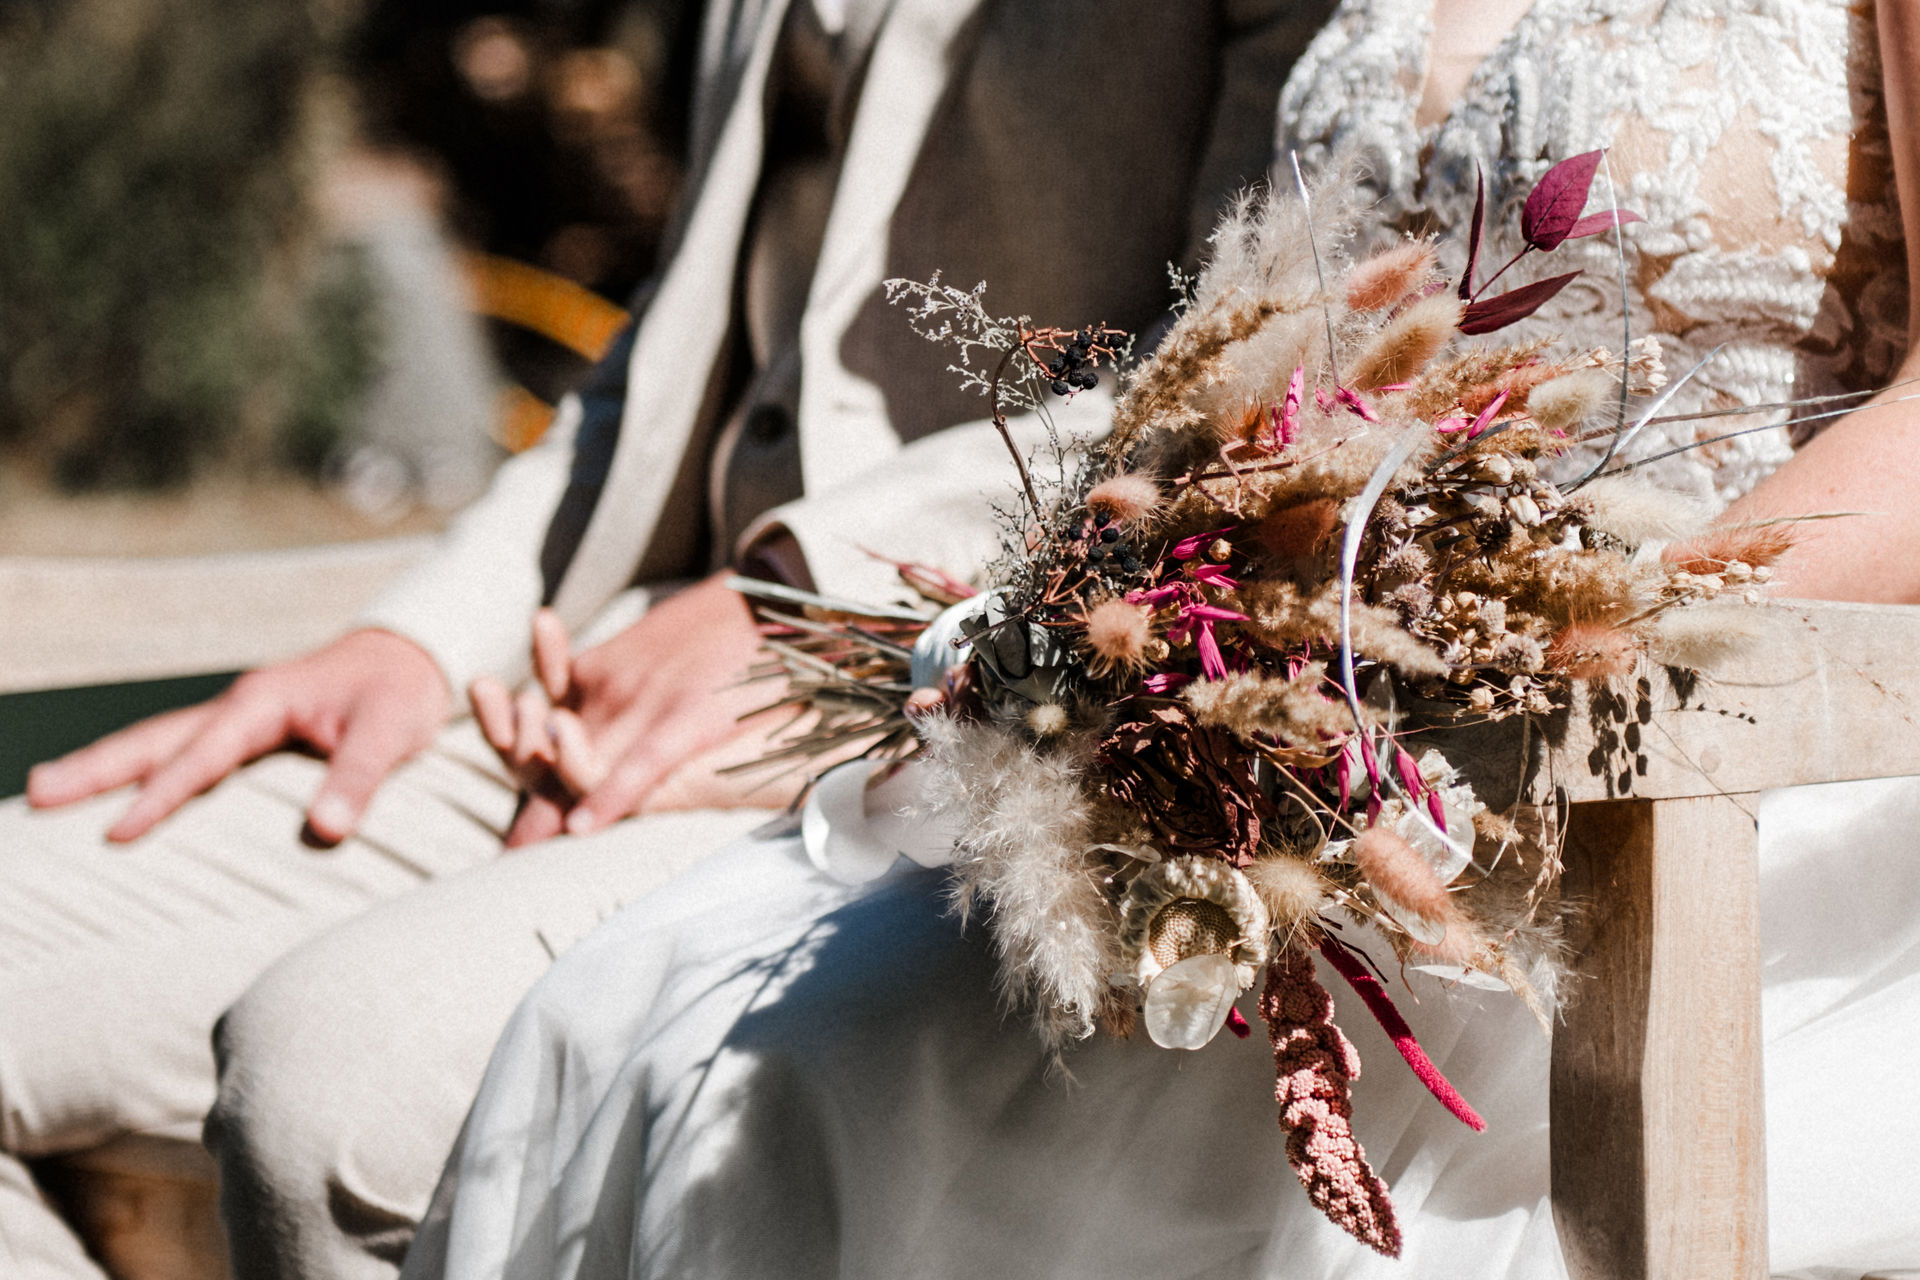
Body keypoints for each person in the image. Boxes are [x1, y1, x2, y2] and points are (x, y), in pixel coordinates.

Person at [391, 1, 1920, 1278]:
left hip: (1721, 783)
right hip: (1330, 755)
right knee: (636, 1029)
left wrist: (1531, 660)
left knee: (848, 1090)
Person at [0, 2, 1333, 1277]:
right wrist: (422, 638)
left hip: (952, 714)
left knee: (327, 1089)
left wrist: (799, 592)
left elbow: (1247, 361)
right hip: (600, 665)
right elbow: (683, 334)